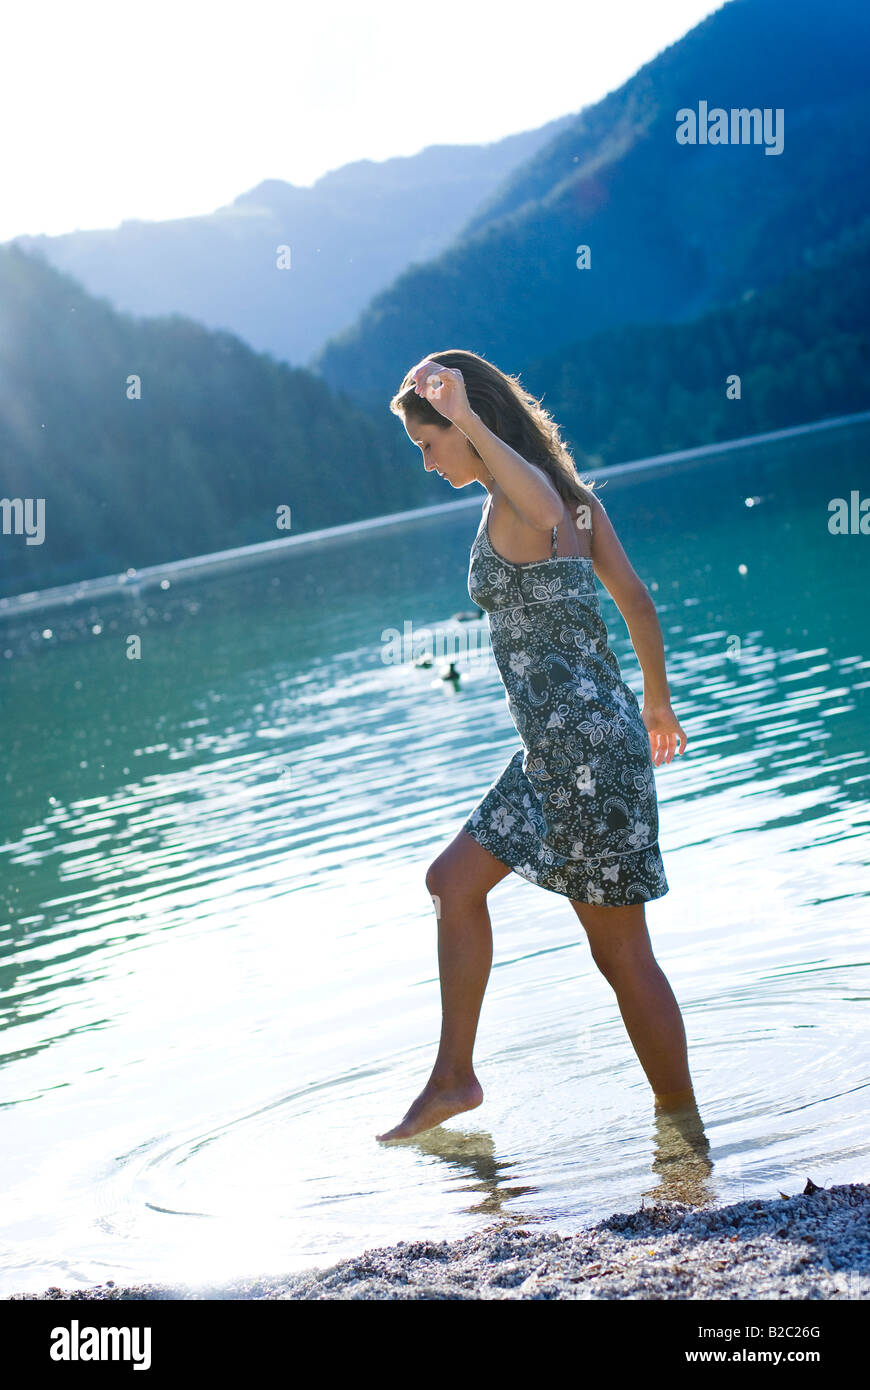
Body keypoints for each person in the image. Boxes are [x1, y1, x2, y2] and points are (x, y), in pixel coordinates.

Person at [377, 350, 693, 1143]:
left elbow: (547, 516)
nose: (429, 461)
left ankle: (683, 1133)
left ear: (464, 423)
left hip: (583, 755)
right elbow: (638, 605)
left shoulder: (544, 503)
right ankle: (455, 1078)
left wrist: (467, 419)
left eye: (429, 443)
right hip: (559, 754)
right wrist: (653, 700)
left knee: (621, 952)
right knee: (453, 881)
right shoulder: (560, 500)